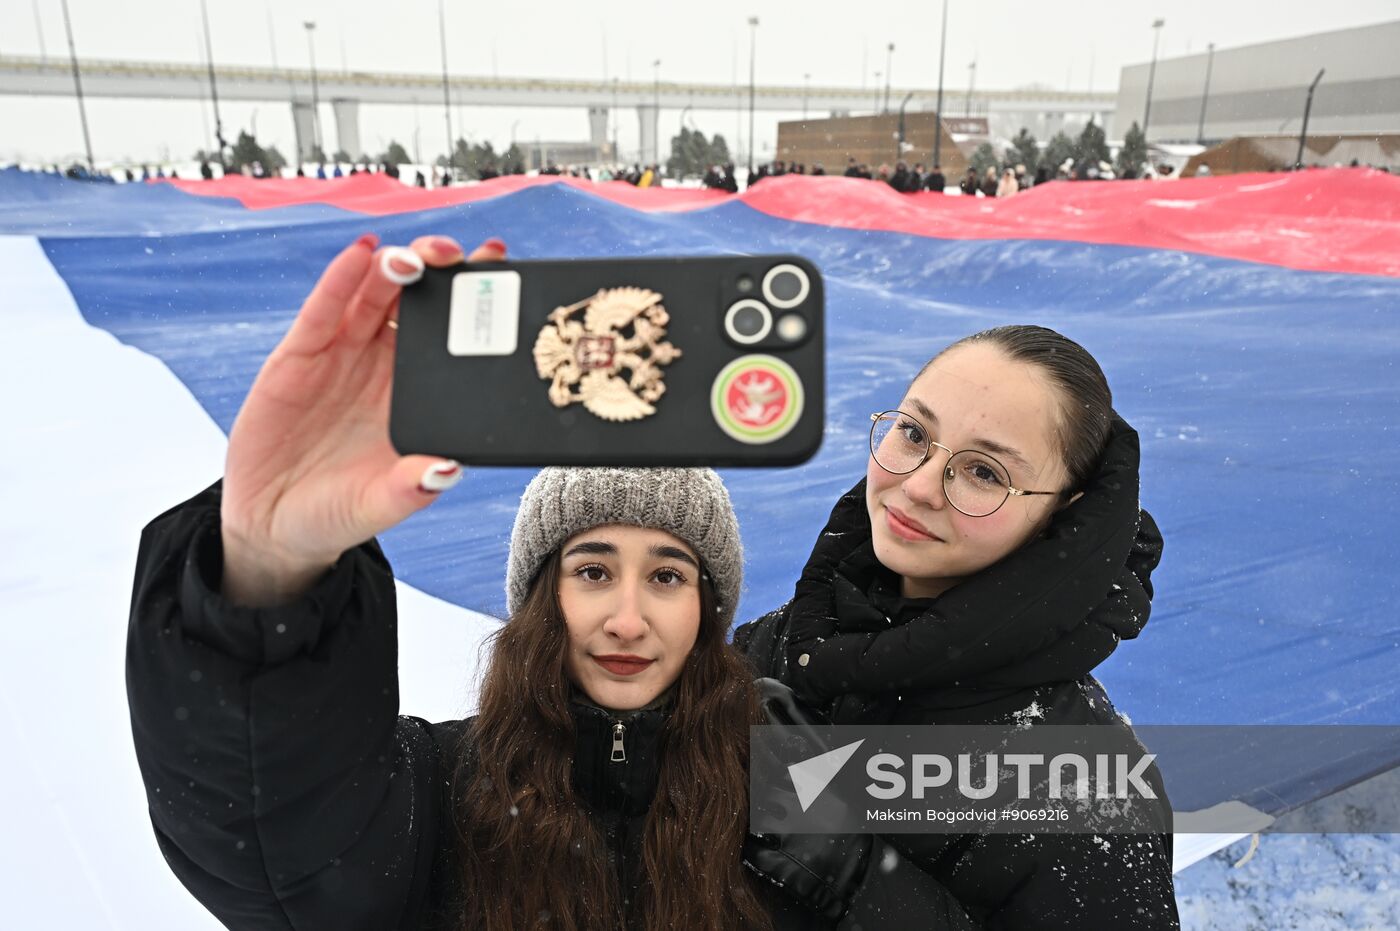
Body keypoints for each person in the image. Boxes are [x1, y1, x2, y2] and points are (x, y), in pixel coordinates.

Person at [126, 234, 974, 931]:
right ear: (539, 595)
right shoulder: (433, 793)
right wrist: (265, 569)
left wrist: (861, 877)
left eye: (669, 575)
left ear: (711, 607)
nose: (628, 618)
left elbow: (1079, 796)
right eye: (593, 569)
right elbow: (271, 844)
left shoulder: (792, 786)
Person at [734, 325, 1181, 928]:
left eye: (985, 473)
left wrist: (859, 880)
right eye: (914, 433)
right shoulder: (780, 643)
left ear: (1063, 516)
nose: (917, 487)